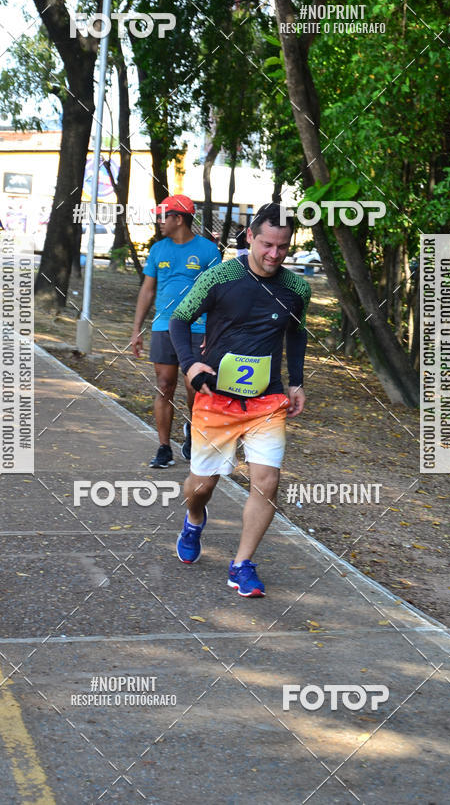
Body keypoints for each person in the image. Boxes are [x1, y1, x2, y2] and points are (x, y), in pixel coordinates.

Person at [169, 203, 310, 597]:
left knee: (267, 481)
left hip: (267, 401)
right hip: (216, 398)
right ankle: (194, 519)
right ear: (250, 236)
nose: (274, 254)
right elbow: (180, 319)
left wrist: (296, 383)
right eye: (267, 244)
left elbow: (296, 334)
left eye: (283, 247)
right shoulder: (221, 276)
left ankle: (242, 564)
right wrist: (191, 364)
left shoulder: (297, 288)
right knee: (200, 487)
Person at [130, 194, 220, 468]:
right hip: (164, 326)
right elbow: (147, 290)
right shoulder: (158, 250)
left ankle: (192, 432)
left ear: (178, 219)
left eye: (163, 217)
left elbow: (218, 294)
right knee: (164, 385)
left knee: (195, 387)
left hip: (198, 327)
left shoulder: (208, 251)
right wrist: (137, 330)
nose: (159, 222)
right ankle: (164, 447)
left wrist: (212, 332)